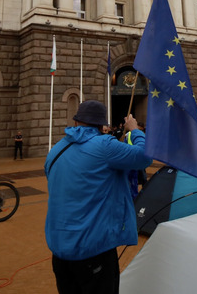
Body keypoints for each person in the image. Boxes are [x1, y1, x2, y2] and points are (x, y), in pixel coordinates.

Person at [44, 100, 153, 294]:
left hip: (60, 250)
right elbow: (145, 156)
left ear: (77, 121)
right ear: (101, 124)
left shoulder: (56, 149)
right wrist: (134, 130)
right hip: (93, 249)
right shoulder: (104, 145)